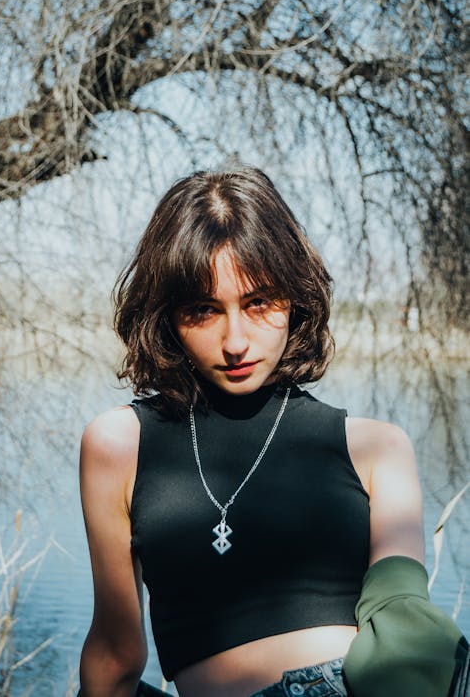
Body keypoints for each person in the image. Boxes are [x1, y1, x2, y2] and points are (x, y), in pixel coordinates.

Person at [78, 167, 468, 697]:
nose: (235, 340)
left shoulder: (377, 446)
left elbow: (401, 617)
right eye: (203, 310)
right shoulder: (118, 444)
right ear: (166, 318)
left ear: (296, 298)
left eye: (259, 302)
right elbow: (116, 654)